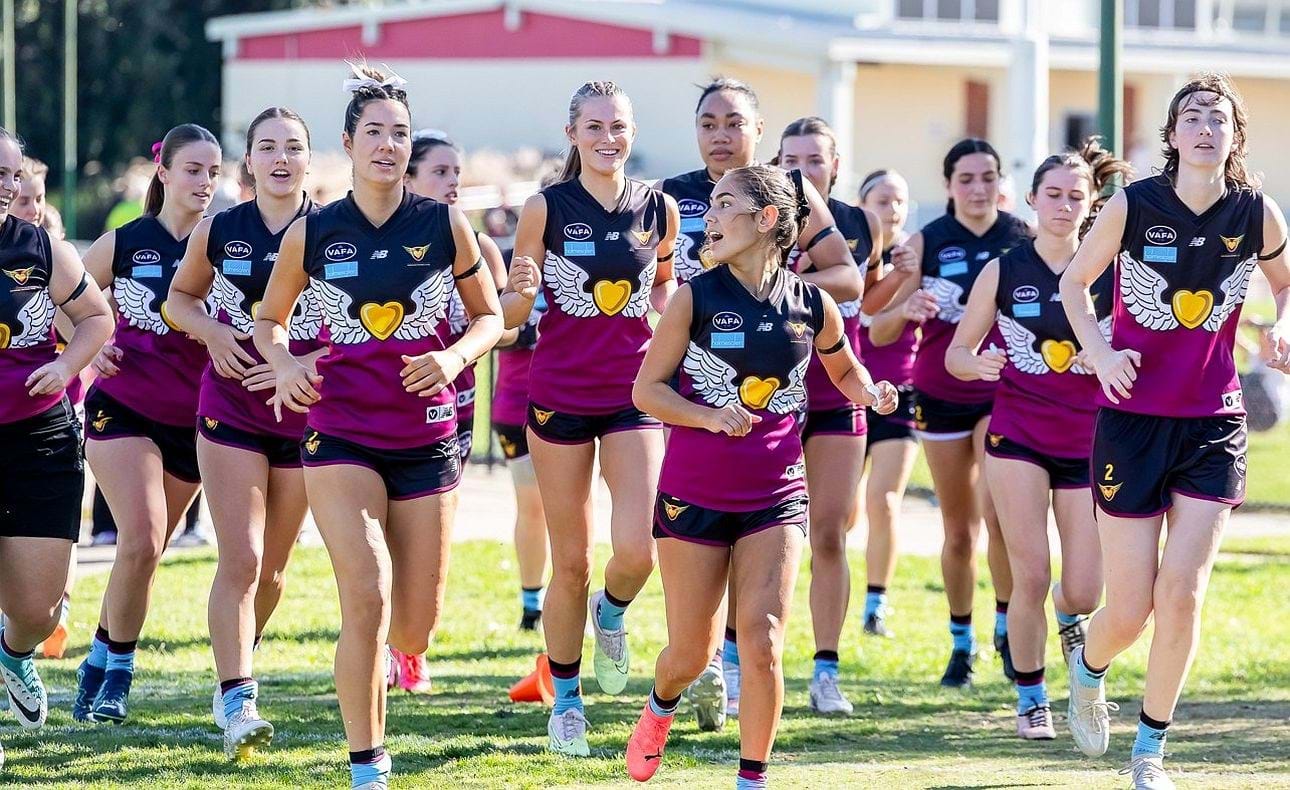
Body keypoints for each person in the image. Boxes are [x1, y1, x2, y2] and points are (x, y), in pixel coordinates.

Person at [254, 63, 503, 790]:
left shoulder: (443, 223)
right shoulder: (315, 231)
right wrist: (286, 365)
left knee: (414, 623)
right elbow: (269, 323)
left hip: (426, 437)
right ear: (348, 143)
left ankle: (402, 657)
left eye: (399, 133)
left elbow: (489, 317)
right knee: (366, 592)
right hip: (338, 433)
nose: (388, 145)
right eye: (374, 133)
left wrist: (454, 353)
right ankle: (369, 762)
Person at [626, 163, 897, 787]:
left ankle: (753, 778)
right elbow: (647, 392)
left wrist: (871, 394)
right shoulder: (695, 296)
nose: (709, 217)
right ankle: (661, 705)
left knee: (764, 638)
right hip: (694, 495)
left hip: (777, 497)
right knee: (689, 655)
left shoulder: (813, 302)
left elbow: (846, 371)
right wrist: (706, 416)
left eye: (724, 206)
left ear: (766, 219)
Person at [1060, 74, 1290, 789]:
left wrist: (1281, 327)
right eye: (1191, 117)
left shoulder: (1256, 212)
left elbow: (1286, 284)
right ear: (1171, 135)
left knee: (1183, 593)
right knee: (1128, 609)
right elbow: (1075, 284)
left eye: (1217, 118)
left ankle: (1150, 752)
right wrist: (1098, 353)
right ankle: (1089, 666)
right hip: (1132, 422)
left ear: (1233, 136)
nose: (1204, 128)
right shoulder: (1134, 204)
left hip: (1214, 422)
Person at [661, 78, 863, 726]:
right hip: (708, 387)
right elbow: (656, 287)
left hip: (800, 378)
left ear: (758, 130)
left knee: (820, 531)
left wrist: (770, 293)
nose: (721, 134)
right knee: (712, 525)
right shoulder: (671, 196)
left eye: (734, 122)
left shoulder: (791, 193)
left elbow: (848, 277)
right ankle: (707, 664)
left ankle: (814, 669)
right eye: (709, 122)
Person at [499, 81, 678, 756]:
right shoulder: (546, 207)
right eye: (596, 126)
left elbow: (661, 285)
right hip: (559, 395)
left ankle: (613, 611)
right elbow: (517, 307)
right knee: (569, 562)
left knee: (638, 550)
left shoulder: (657, 208)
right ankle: (567, 700)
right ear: (572, 133)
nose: (609, 137)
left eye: (620, 126)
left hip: (634, 391)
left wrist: (675, 307)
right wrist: (513, 298)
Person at [946, 138, 1131, 740]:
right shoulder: (1004, 269)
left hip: (1090, 440)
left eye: (1076, 197)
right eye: (1052, 194)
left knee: (1082, 587)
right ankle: (1031, 699)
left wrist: (1104, 357)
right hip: (1018, 435)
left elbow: (1143, 350)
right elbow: (956, 354)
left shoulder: (1115, 271)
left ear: (1094, 204)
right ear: (1030, 200)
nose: (1063, 206)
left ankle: (1074, 638)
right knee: (1029, 574)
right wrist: (978, 365)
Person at [167, 107, 321, 759]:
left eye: (292, 147)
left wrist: (307, 365)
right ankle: (238, 698)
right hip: (229, 408)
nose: (280, 158)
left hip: (307, 411)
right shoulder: (220, 229)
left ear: (310, 160)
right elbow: (178, 301)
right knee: (244, 559)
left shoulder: (337, 231)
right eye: (267, 147)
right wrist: (214, 331)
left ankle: (238, 662)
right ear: (249, 162)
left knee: (276, 572)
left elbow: (374, 327)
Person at [867, 139, 1031, 688]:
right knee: (959, 532)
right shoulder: (927, 242)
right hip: (937, 395)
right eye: (967, 179)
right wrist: (906, 308)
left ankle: (1008, 628)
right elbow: (878, 328)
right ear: (949, 186)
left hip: (1002, 393)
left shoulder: (1020, 239)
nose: (978, 188)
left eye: (988, 177)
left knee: (1000, 515)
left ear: (1000, 182)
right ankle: (962, 644)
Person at [75, 124, 221, 724]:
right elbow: (62, 299)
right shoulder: (127, 242)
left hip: (194, 421)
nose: (206, 183)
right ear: (164, 174)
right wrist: (84, 344)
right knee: (139, 538)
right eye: (193, 170)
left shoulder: (226, 246)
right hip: (123, 407)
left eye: (214, 171)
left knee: (146, 552)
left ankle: (96, 658)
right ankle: (117, 678)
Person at [776, 117, 901, 715]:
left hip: (836, 391)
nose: (803, 171)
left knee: (830, 531)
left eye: (815, 160)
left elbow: (863, 297)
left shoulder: (859, 224)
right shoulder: (762, 218)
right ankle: (733, 661)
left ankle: (826, 670)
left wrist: (903, 284)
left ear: (836, 165)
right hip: (768, 393)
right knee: (752, 532)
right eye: (791, 159)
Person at [0, 124, 112, 752]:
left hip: (39, 436)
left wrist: (67, 367)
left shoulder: (42, 249)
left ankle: (14, 655)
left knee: (38, 611)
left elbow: (98, 318)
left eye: (12, 174)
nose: (7, 185)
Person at [390, 127, 509, 687]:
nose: (453, 183)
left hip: (451, 410)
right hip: (382, 407)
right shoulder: (387, 239)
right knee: (382, 533)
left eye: (458, 173)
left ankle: (411, 642)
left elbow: (503, 328)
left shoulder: (478, 246)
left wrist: (520, 296)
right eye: (440, 172)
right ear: (408, 177)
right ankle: (388, 645)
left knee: (428, 537)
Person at [855, 169, 919, 638]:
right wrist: (901, 309)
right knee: (843, 511)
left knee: (886, 500)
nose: (891, 209)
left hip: (902, 391)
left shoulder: (917, 262)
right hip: (850, 390)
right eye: (882, 200)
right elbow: (874, 323)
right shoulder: (849, 257)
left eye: (898, 200)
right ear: (862, 206)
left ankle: (877, 602)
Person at [491, 246, 550, 631]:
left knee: (574, 510)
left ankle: (575, 602)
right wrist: (525, 323)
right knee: (533, 506)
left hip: (576, 405)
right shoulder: (512, 262)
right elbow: (493, 328)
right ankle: (532, 605)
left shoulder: (595, 259)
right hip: (517, 407)